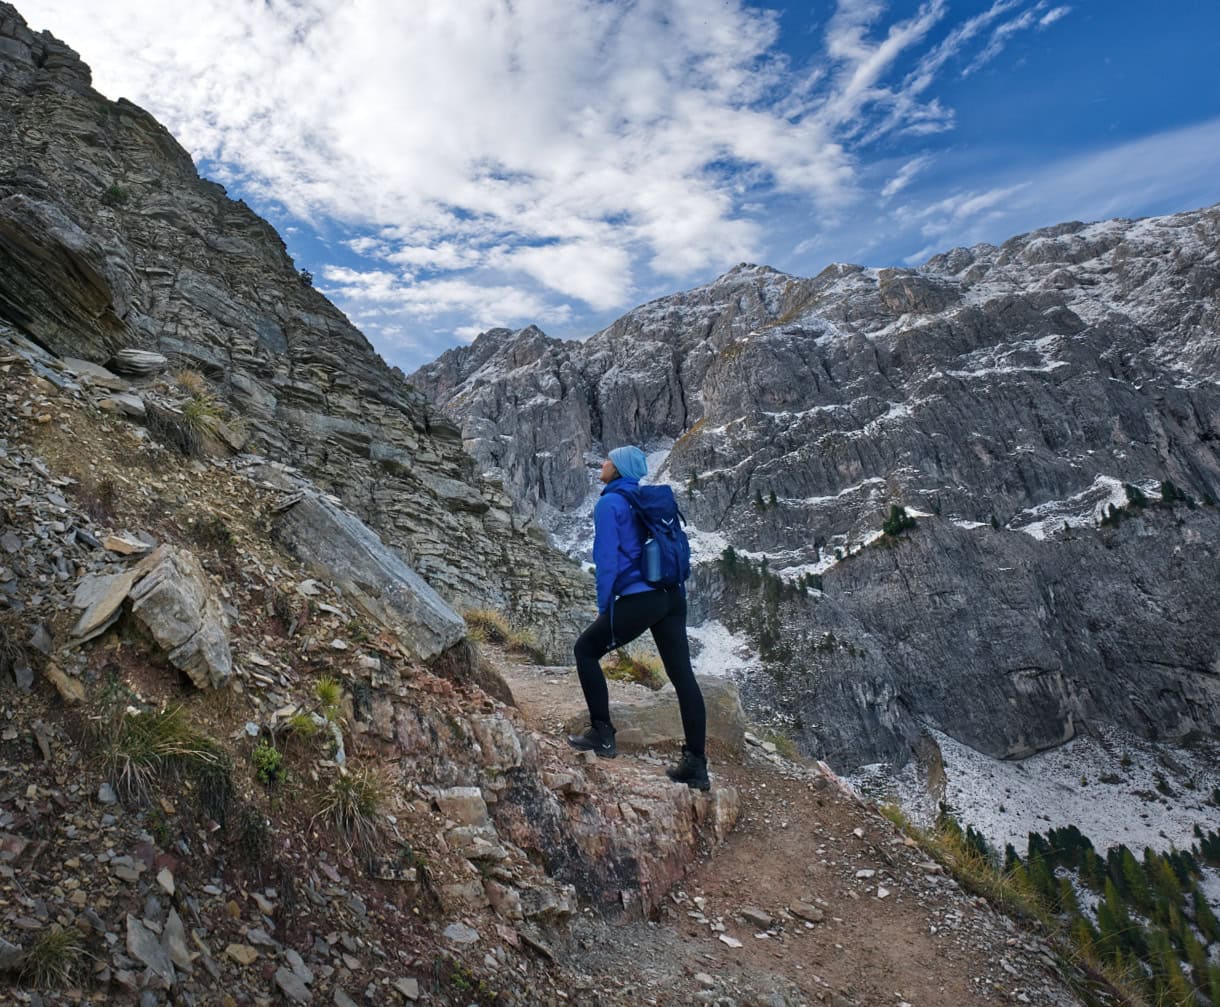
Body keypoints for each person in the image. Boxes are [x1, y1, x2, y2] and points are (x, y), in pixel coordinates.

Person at [567, 445, 710, 790]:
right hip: (671, 596)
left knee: (585, 650)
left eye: (608, 460)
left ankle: (602, 734)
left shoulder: (610, 503)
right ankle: (695, 765)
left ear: (617, 469)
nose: (602, 464)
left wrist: (606, 607)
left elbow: (607, 562)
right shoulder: (647, 500)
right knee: (682, 676)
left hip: (639, 598)